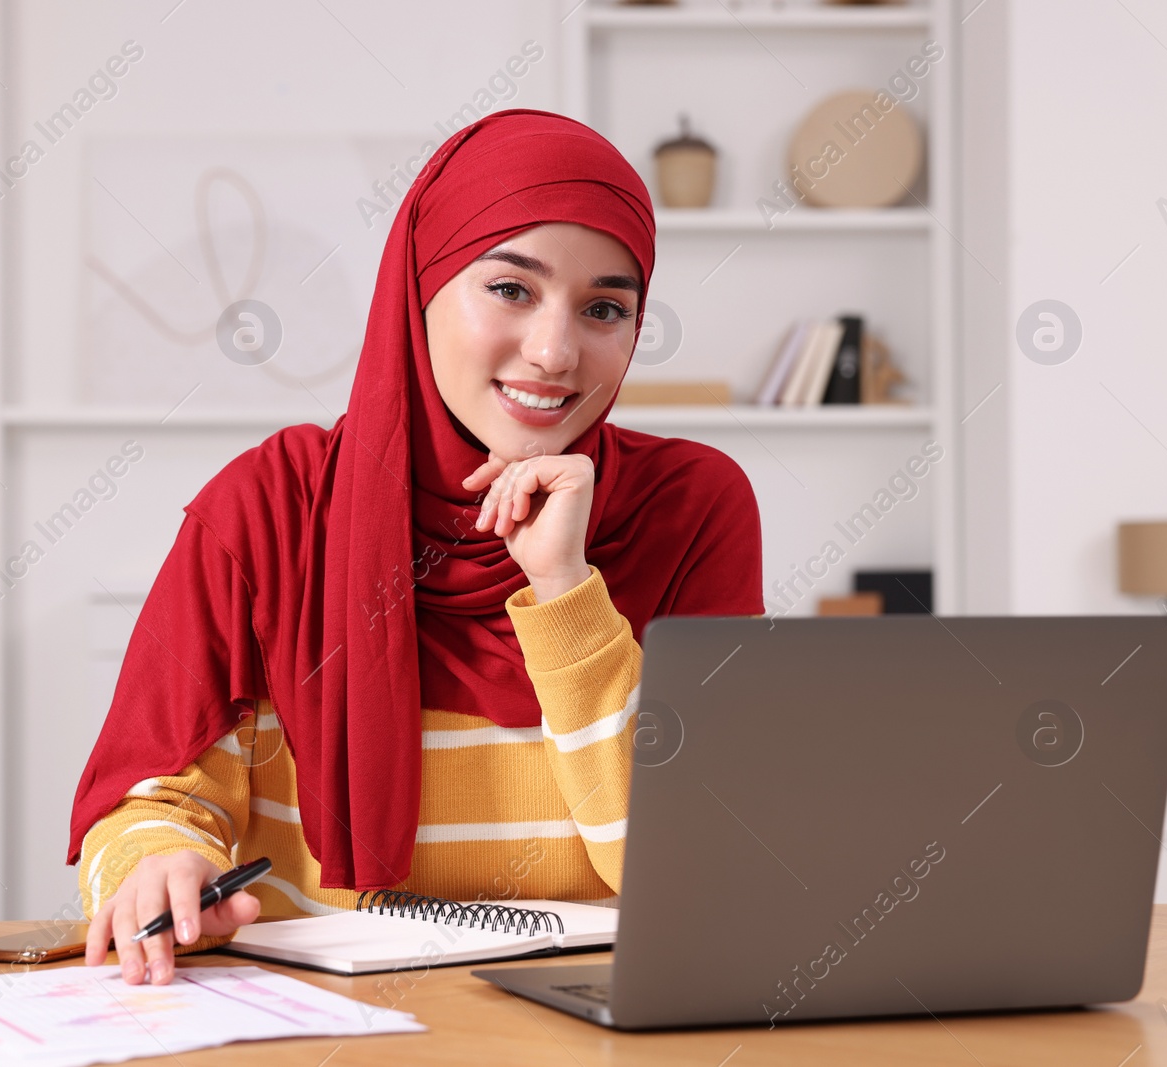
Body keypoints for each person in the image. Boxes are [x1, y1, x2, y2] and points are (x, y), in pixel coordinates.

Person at [67, 108, 762, 986]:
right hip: (328, 1029)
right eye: (511, 289)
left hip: (591, 1029)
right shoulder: (268, 509)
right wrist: (157, 866)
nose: (554, 351)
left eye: (604, 308)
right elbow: (149, 808)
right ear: (419, 287)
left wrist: (565, 586)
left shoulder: (690, 508)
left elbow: (705, 874)